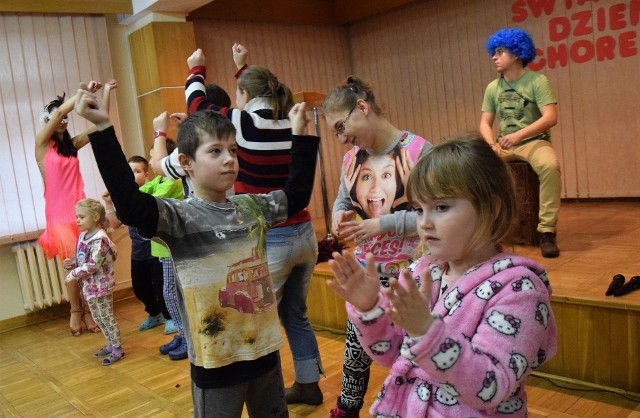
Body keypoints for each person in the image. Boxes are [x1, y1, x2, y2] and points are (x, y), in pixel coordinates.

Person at [73, 81, 319, 417]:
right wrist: (102, 129)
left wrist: (303, 139)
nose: (229, 159)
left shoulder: (251, 207)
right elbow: (130, 205)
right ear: (186, 162)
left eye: (233, 150)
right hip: (216, 362)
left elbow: (297, 195)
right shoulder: (178, 216)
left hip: (264, 353)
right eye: (215, 151)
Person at [327, 134, 557, 417]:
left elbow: (491, 386)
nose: (423, 223)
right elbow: (393, 353)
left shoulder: (520, 291)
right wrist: (370, 309)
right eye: (418, 209)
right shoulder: (421, 272)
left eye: (441, 207)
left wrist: (426, 331)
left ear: (491, 209)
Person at [183, 44, 325, 405]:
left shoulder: (242, 123)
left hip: (272, 237)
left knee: (256, 321)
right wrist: (242, 68)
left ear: (244, 95)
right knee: (296, 314)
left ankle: (257, 393)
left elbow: (197, 108)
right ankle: (309, 384)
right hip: (304, 233)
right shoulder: (287, 122)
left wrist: (195, 70)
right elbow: (253, 95)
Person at [323, 75, 432, 417]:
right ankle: (348, 407)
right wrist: (339, 216)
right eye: (335, 132)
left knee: (414, 351)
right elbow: (343, 201)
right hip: (367, 274)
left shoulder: (418, 151)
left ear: (363, 108)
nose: (341, 139)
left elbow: (432, 218)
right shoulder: (351, 160)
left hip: (412, 275)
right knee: (357, 349)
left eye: (342, 127)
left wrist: (380, 224)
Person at [35, 79, 117, 336]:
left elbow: (98, 124)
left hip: (79, 211)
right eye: (56, 117)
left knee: (88, 265)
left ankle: (90, 312)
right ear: (47, 120)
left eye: (64, 117)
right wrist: (81, 92)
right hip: (59, 217)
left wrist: (104, 93)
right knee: (72, 265)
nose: (61, 120)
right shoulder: (41, 147)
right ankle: (75, 313)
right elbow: (60, 111)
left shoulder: (72, 146)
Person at [479, 27, 562, 258]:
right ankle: (489, 229)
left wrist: (519, 135)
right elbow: (485, 123)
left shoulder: (537, 81)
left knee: (549, 166)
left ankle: (547, 231)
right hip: (503, 146)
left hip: (534, 142)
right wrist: (490, 144)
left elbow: (550, 117)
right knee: (477, 169)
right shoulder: (492, 88)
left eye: (500, 51)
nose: (494, 57)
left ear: (516, 53)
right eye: (493, 52)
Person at [102, 155, 173, 337]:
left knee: (161, 286)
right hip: (138, 253)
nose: (133, 175)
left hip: (156, 250)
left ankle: (170, 317)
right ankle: (154, 313)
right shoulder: (125, 199)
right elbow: (115, 224)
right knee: (140, 288)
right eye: (130, 171)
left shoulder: (150, 194)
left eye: (137, 171)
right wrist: (109, 202)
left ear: (146, 175)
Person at [63, 198, 123, 366]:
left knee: (106, 317)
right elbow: (83, 259)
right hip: (89, 286)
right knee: (98, 316)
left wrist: (74, 273)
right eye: (76, 216)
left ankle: (118, 349)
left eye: (81, 217)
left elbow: (93, 264)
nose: (77, 220)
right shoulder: (83, 236)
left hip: (101, 286)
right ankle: (111, 344)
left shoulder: (100, 239)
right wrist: (72, 264)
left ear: (95, 217)